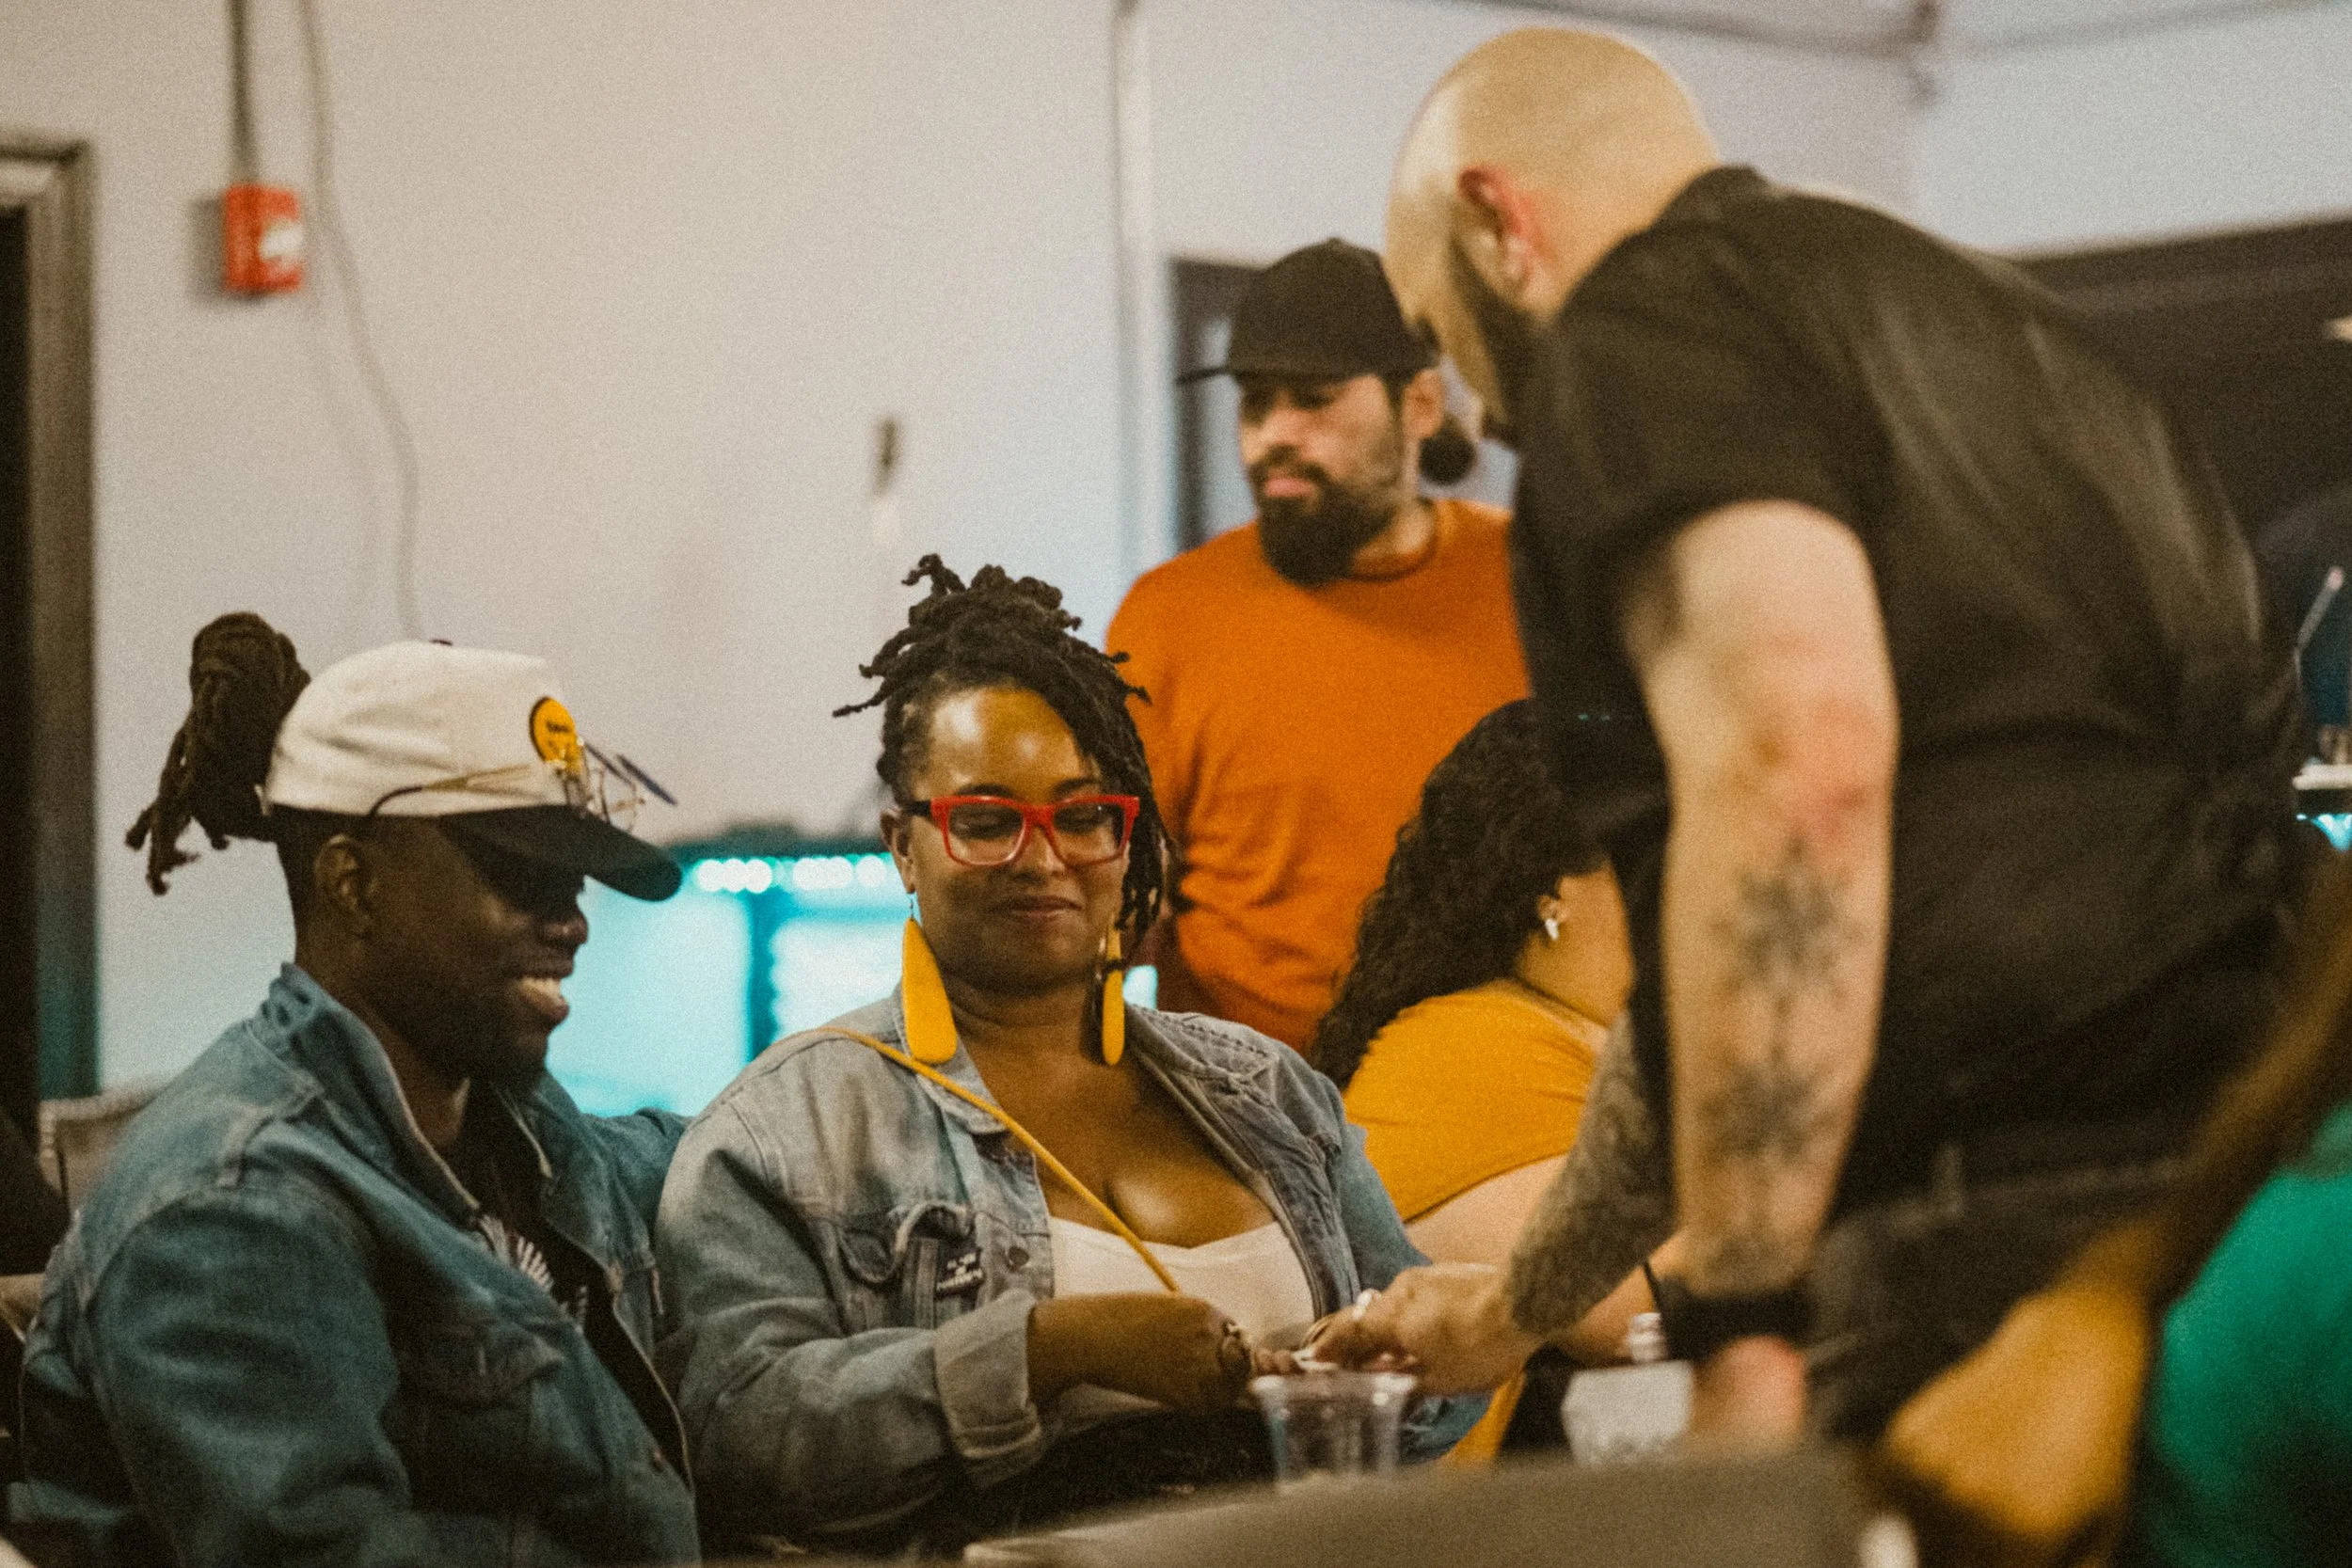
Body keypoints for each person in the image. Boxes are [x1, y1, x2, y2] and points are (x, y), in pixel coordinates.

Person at [1322, 24, 2305, 1450]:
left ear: (1499, 218)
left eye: (1444, 331)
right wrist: (1514, 1306)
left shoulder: (1635, 330)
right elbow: (1721, 967)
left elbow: (1795, 782)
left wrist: (1740, 1323)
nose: (1487, 407)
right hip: (2251, 1200)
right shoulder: (2020, 336)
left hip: (1989, 1230)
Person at [657, 559, 1474, 1557]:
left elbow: (1438, 1396)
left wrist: (1350, 1377)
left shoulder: (1267, 1091)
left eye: (1083, 816)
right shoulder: (787, 1126)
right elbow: (736, 1437)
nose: (1041, 859)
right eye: (987, 820)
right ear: (902, 845)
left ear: (1127, 841)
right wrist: (1046, 1352)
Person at [10, 614, 698, 1567]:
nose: (573, 919)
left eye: (572, 877)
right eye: (519, 872)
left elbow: (720, 1159)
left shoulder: (514, 1126)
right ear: (353, 886)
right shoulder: (235, 1206)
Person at [1106, 238, 1528, 1052]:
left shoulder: (1528, 583)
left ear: (1422, 406)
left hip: (1490, 1110)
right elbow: (1116, 901)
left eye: (1314, 398)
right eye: (1257, 403)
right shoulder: (1170, 616)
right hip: (1244, 1121)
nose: (1274, 436)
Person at [1318, 700, 1628, 1272]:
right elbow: (1622, 1304)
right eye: (1647, 862)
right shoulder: (1469, 1048)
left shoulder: (1554, 1023)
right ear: (1553, 893)